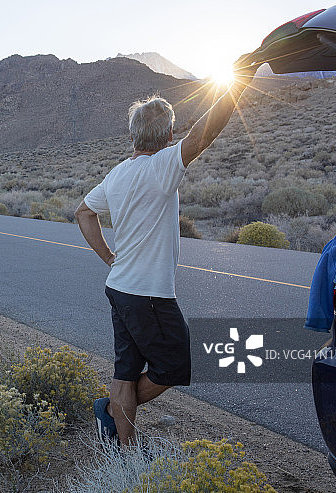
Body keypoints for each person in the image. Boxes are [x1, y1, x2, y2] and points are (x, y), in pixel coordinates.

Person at [75, 59, 257, 446]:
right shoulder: (162, 166)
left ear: (133, 135)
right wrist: (238, 86)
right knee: (174, 366)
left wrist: (110, 258)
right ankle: (111, 410)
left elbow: (84, 213)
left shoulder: (118, 173)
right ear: (168, 133)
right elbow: (203, 135)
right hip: (149, 295)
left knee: (125, 372)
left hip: (121, 286)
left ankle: (124, 451)